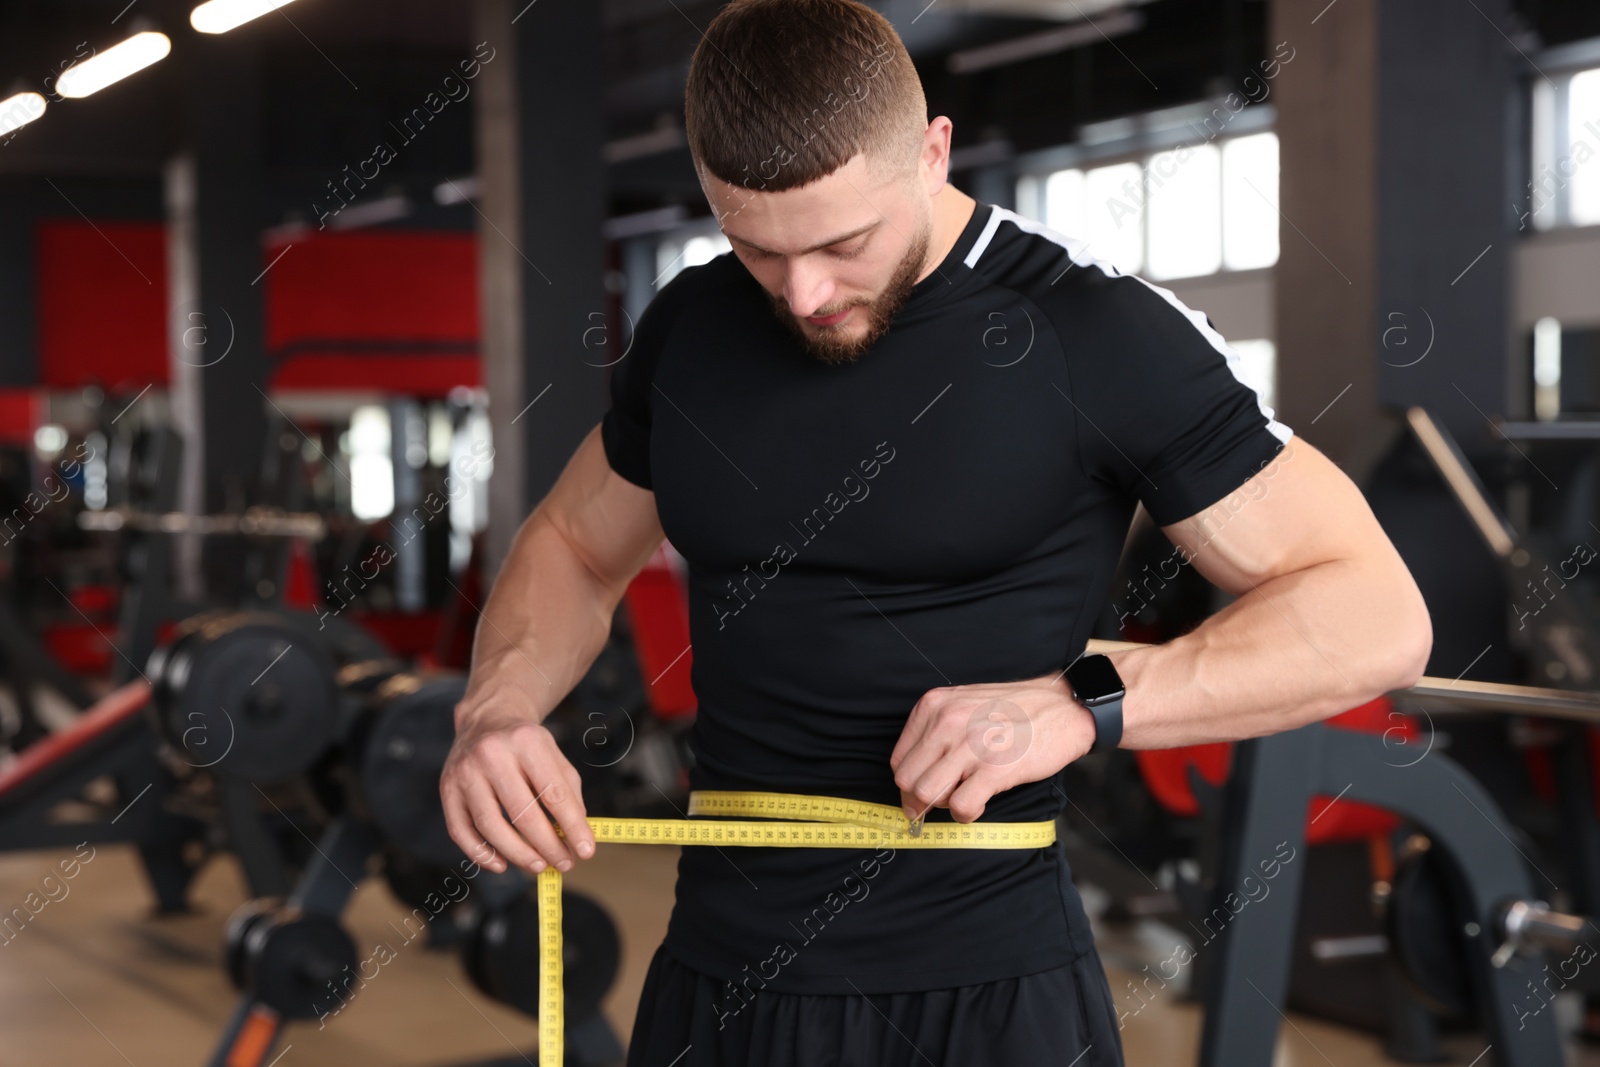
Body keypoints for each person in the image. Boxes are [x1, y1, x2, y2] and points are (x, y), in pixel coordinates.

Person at [440, 1, 1433, 1063]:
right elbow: (576, 546)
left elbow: (1376, 612)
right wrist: (495, 710)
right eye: (756, 248)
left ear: (932, 150)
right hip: (718, 983)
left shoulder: (1092, 333)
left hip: (984, 996)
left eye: (841, 241)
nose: (804, 291)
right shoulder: (691, 325)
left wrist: (1083, 702)